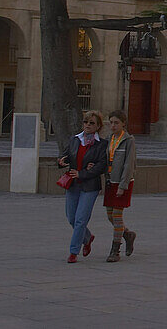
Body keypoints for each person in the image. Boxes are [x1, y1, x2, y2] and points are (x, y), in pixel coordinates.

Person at [58, 111, 108, 263]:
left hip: (90, 186)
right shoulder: (75, 140)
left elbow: (101, 165)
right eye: (86, 122)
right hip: (73, 184)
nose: (88, 125)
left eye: (92, 123)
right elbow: (64, 155)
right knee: (71, 218)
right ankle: (87, 238)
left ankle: (73, 252)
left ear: (98, 126)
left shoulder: (102, 144)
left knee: (81, 219)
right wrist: (61, 161)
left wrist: (83, 173)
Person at [103, 110, 137, 263]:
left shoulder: (128, 140)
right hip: (111, 181)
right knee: (110, 215)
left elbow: (129, 164)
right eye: (111, 122)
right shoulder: (109, 138)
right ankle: (127, 234)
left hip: (122, 182)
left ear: (123, 123)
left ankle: (115, 249)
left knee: (117, 216)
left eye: (116, 122)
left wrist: (123, 185)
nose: (113, 125)